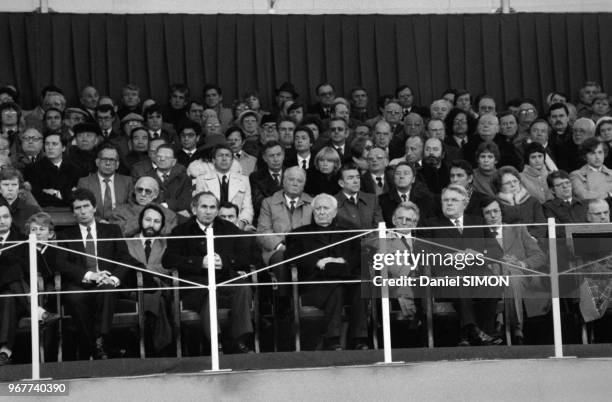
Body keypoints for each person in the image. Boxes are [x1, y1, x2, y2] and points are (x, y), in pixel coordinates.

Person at [162, 191, 254, 353]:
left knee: (243, 286)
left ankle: (240, 339)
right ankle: (215, 342)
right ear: (194, 208)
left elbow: (247, 257)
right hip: (195, 283)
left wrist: (224, 261)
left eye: (213, 207)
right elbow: (168, 260)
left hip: (224, 278)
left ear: (217, 210)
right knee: (208, 291)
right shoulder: (181, 230)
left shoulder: (229, 228)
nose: (208, 211)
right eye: (204, 207)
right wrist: (199, 263)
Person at [286, 193, 369, 350]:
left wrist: (340, 261)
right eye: (318, 208)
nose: (322, 212)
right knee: (335, 288)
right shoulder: (298, 234)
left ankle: (360, 339)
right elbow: (291, 257)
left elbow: (359, 255)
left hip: (346, 280)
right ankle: (332, 340)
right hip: (315, 285)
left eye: (326, 208)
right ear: (313, 211)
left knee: (361, 286)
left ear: (335, 212)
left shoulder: (348, 233)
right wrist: (317, 262)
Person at [56, 188, 131, 359]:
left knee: (107, 289)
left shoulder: (112, 230)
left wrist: (113, 278)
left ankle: (98, 341)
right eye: (77, 208)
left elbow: (125, 257)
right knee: (74, 296)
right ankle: (95, 345)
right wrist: (90, 275)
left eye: (86, 206)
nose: (82, 211)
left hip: (106, 280)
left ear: (94, 207)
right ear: (73, 213)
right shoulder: (65, 235)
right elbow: (61, 263)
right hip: (80, 282)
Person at [424, 185, 503, 346]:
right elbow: (423, 254)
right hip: (448, 275)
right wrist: (450, 257)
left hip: (477, 272)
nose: (449, 203)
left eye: (454, 200)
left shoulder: (478, 222)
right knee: (459, 282)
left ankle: (484, 331)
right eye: (445, 200)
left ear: (465, 203)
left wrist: (479, 255)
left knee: (492, 281)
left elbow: (497, 252)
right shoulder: (431, 224)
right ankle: (474, 330)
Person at [480, 198, 547, 345]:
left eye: (495, 211)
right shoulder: (480, 235)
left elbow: (540, 256)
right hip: (494, 278)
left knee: (513, 277)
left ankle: (504, 323)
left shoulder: (518, 229)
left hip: (522, 274)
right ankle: (516, 330)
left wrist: (522, 263)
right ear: (483, 216)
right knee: (509, 279)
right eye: (488, 213)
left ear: (501, 212)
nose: (493, 216)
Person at [125, 204, 174, 355]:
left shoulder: (167, 243)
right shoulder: (127, 242)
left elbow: (169, 267)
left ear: (162, 225)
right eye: (148, 219)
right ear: (140, 221)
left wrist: (143, 269)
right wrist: (150, 270)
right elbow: (124, 266)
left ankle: (141, 343)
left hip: (160, 286)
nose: (151, 224)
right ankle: (160, 348)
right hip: (133, 288)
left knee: (155, 294)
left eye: (156, 221)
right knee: (154, 298)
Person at [194, 144, 254, 229]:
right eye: (220, 155)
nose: (224, 158)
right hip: (211, 225)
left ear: (232, 161)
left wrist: (241, 223)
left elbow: (248, 207)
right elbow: (200, 207)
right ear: (213, 160)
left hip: (236, 224)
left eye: (227, 155)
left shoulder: (243, 180)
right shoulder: (202, 179)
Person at [77, 143, 133, 220]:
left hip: (120, 226)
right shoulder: (84, 183)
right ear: (97, 162)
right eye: (104, 159)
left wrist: (117, 224)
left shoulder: (128, 182)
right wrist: (100, 222)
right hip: (95, 225)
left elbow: (131, 209)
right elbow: (82, 210)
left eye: (112, 160)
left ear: (117, 164)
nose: (108, 163)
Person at [24, 131, 81, 207]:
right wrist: (65, 195)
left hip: (69, 213)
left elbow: (77, 196)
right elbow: (36, 197)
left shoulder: (74, 169)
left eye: (54, 144)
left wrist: (55, 193)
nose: (50, 147)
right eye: (47, 144)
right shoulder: (32, 169)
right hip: (43, 212)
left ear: (63, 148)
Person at [108, 176, 178, 237]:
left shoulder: (169, 215)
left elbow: (171, 235)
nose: (143, 194)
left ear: (156, 194)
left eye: (148, 191)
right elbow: (116, 233)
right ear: (135, 191)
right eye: (139, 190)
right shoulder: (119, 212)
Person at [493, 166, 546, 238]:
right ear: (499, 186)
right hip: (507, 241)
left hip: (532, 241)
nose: (513, 185)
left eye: (515, 181)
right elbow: (495, 227)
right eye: (508, 183)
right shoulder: (494, 204)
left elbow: (541, 225)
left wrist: (532, 238)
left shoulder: (533, 201)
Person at [378, 162, 435, 227]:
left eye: (406, 173)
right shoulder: (382, 200)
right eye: (397, 173)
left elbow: (430, 223)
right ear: (394, 178)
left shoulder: (426, 199)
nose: (401, 176)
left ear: (413, 179)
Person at [334, 163, 383, 230]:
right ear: (341, 183)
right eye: (350, 178)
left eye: (358, 177)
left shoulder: (372, 199)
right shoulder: (332, 202)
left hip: (371, 240)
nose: (356, 181)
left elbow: (379, 226)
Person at [249, 140, 285, 223]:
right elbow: (258, 203)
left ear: (283, 156)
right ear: (265, 158)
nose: (276, 159)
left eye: (278, 155)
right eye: (271, 156)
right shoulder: (255, 177)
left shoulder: (291, 173)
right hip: (266, 219)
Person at [0, 166, 41, 231]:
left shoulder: (33, 211)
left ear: (19, 188)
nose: (10, 188)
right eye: (6, 185)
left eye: (14, 184)